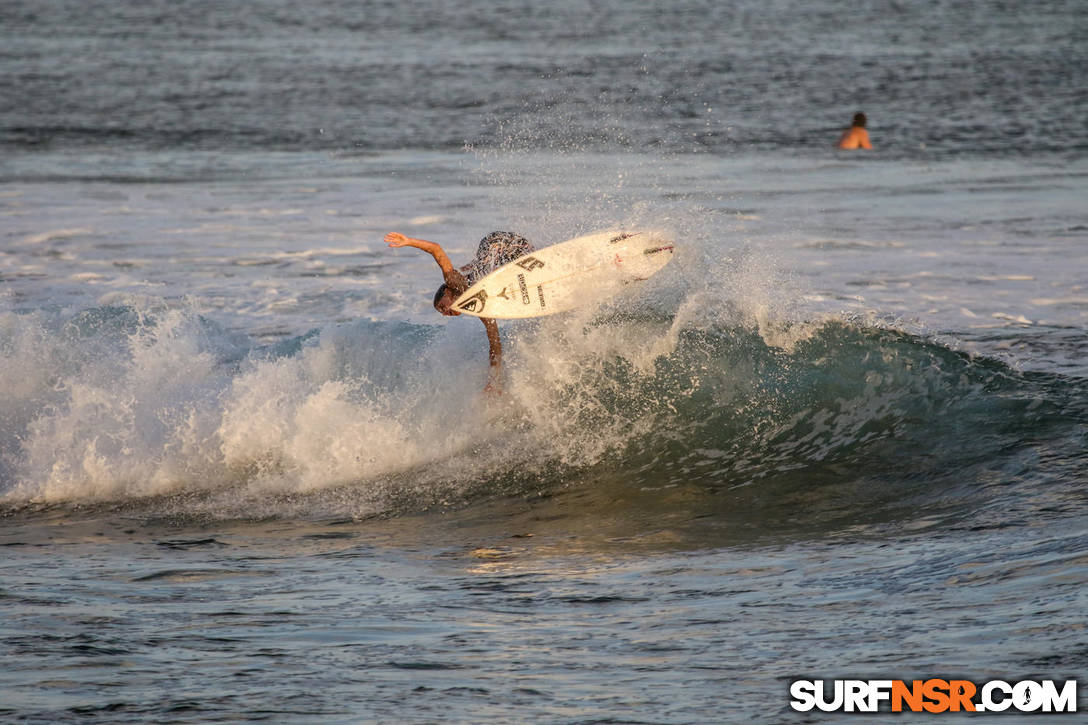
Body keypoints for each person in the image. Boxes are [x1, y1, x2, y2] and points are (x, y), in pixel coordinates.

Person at [385, 230, 534, 394]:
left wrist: (409, 241)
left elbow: (436, 249)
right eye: (442, 313)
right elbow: (495, 344)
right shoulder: (480, 306)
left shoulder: (456, 282)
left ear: (447, 292)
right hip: (509, 254)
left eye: (442, 307)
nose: (445, 313)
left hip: (496, 243)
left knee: (497, 262)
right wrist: (495, 380)